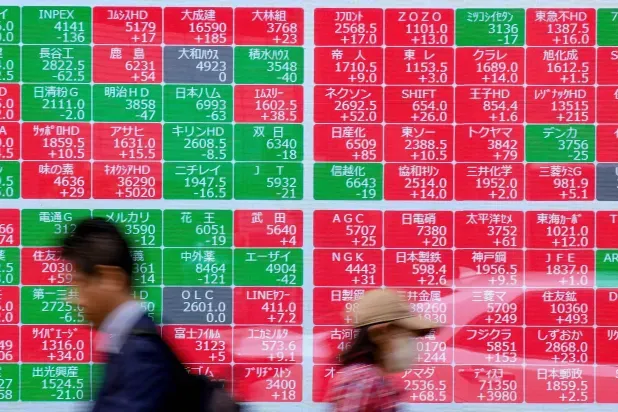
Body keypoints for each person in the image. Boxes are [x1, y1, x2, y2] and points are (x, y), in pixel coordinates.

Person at [61, 217, 179, 411]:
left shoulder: (141, 353)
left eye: (80, 283)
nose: (73, 299)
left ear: (111, 279)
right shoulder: (128, 343)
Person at [326, 289, 440, 412]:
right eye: (406, 335)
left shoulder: (372, 379)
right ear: (379, 333)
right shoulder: (364, 381)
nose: (412, 344)